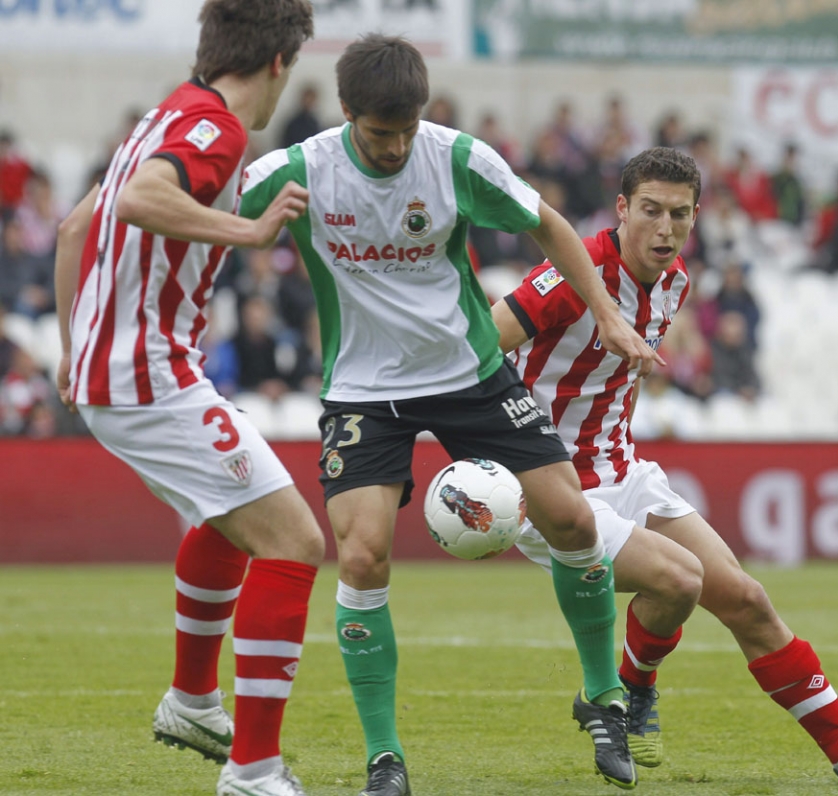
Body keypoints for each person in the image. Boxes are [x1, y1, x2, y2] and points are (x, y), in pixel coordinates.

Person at [240, 33, 660, 796]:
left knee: (572, 519)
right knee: (363, 556)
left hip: (470, 372)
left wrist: (604, 312)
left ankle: (603, 697)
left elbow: (552, 226)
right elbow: (194, 213)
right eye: (379, 133)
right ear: (344, 115)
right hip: (365, 390)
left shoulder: (457, 159)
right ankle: (385, 757)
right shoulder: (296, 172)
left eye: (407, 129)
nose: (397, 147)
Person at [492, 146, 838, 785]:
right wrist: (493, 452)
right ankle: (622, 691)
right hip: (550, 485)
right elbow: (478, 346)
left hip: (622, 469)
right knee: (680, 581)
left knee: (747, 598)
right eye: (650, 211)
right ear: (621, 208)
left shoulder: (675, 282)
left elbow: (616, 376)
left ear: (697, 216)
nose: (665, 229)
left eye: (679, 214)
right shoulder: (572, 272)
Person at [53, 3, 322, 795]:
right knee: (294, 543)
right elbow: (138, 200)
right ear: (279, 62)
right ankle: (253, 770)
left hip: (132, 372)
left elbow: (77, 226)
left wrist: (74, 349)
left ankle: (195, 702)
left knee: (230, 516)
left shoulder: (166, 113)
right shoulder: (219, 129)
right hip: (149, 377)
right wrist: (252, 231)